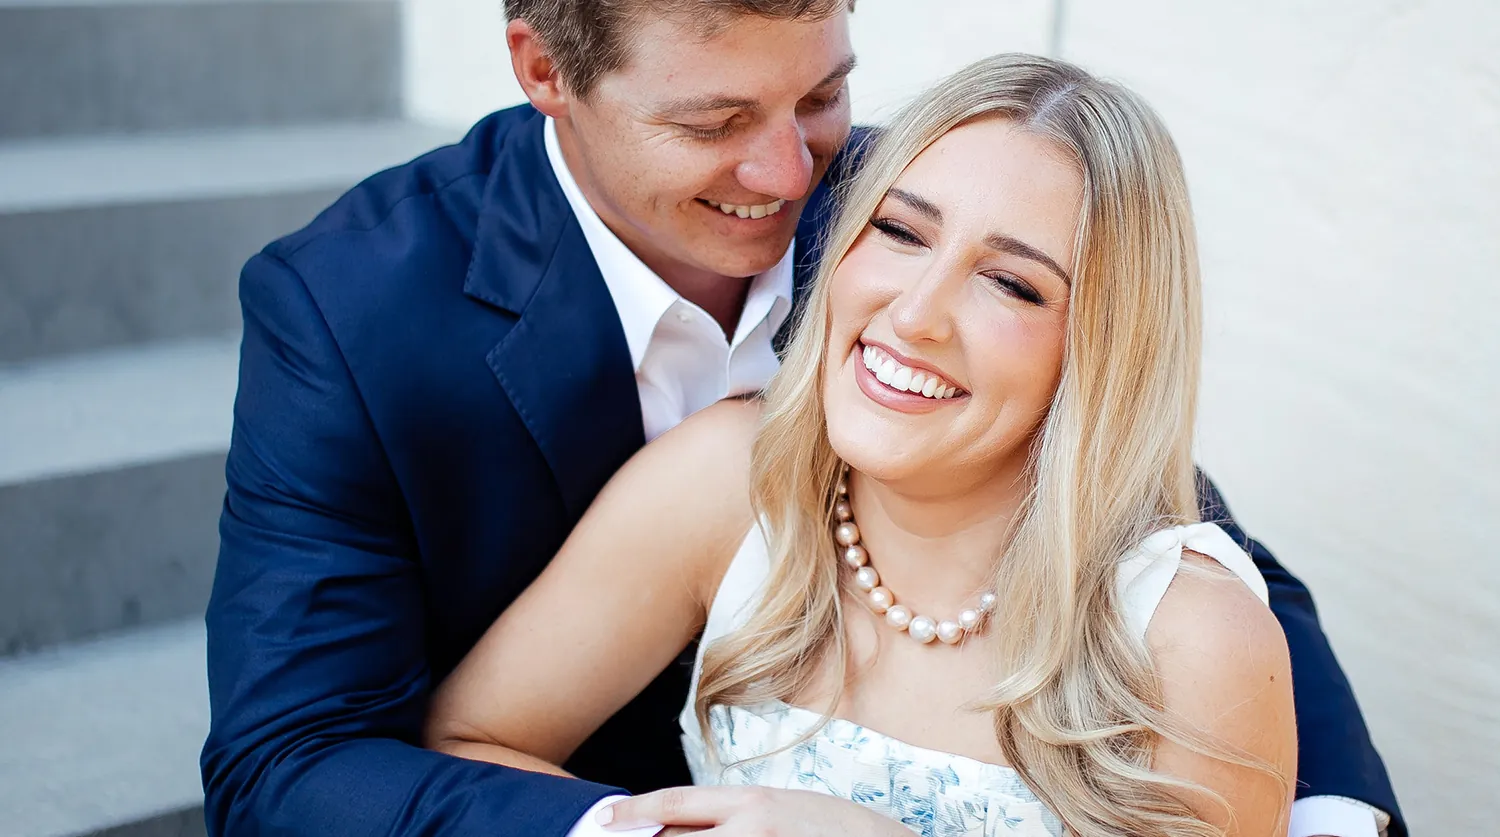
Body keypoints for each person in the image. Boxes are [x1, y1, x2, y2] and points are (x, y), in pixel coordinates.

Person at [201, 4, 1404, 837]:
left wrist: (1323, 807)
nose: (789, 176)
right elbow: (291, 765)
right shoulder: (353, 311)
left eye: (822, 94)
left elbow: (1157, 510)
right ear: (542, 72)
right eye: (714, 122)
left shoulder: (901, 202)